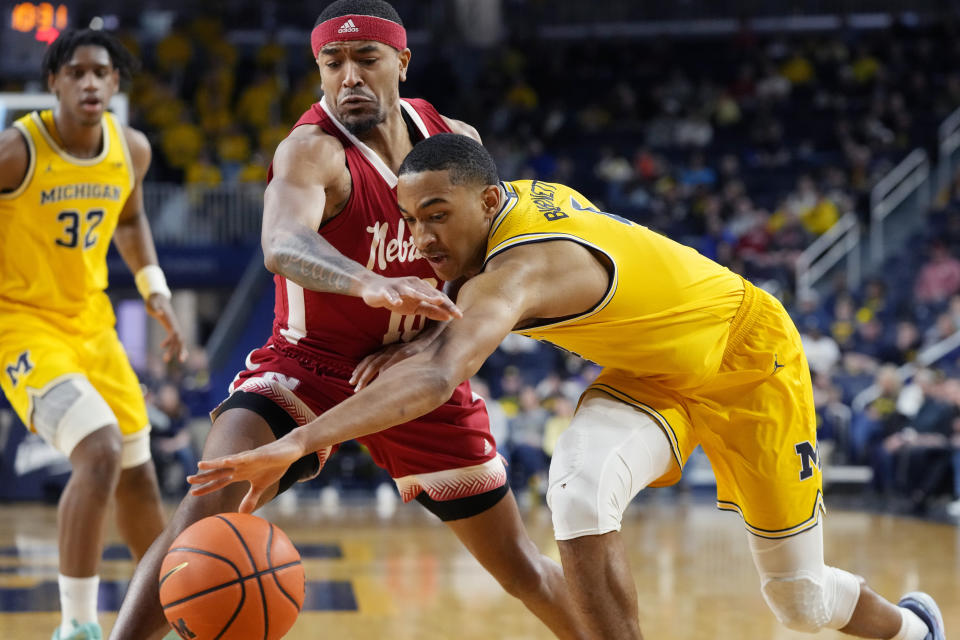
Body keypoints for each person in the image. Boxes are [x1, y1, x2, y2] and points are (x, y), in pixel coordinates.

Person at [192, 134, 947, 640]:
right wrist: (430, 332)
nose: (420, 240)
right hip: (652, 379)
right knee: (578, 488)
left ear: (486, 204)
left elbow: (439, 373)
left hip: (750, 359)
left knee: (799, 601)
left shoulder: (518, 267)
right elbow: (465, 316)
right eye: (408, 219)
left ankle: (914, 629)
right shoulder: (506, 205)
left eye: (435, 216)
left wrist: (295, 441)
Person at [109, 3, 587, 639]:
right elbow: (281, 243)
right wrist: (369, 282)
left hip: (419, 374)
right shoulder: (312, 151)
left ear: (402, 63)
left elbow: (484, 266)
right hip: (304, 368)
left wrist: (435, 344)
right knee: (196, 522)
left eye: (367, 59)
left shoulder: (456, 142)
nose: (349, 77)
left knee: (522, 569)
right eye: (333, 63)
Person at [0, 29, 186, 640]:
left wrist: (155, 289)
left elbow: (130, 220)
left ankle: (167, 609)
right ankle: (76, 625)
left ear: (114, 84)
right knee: (99, 450)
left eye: (100, 73)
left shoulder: (129, 149)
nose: (89, 83)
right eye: (75, 72)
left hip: (94, 325)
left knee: (137, 473)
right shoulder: (16, 152)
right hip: (23, 327)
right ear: (51, 82)